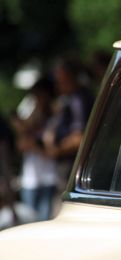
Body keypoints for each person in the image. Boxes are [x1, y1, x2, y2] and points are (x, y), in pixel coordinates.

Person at [11, 77, 58, 221]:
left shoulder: (55, 116)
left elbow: (50, 148)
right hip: (30, 179)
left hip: (48, 176)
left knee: (43, 220)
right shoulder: (32, 113)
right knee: (29, 221)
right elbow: (21, 145)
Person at [43, 57, 94, 183]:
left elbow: (79, 138)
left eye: (60, 78)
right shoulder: (68, 99)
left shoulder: (79, 99)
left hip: (76, 167)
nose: (57, 83)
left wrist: (57, 150)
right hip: (68, 167)